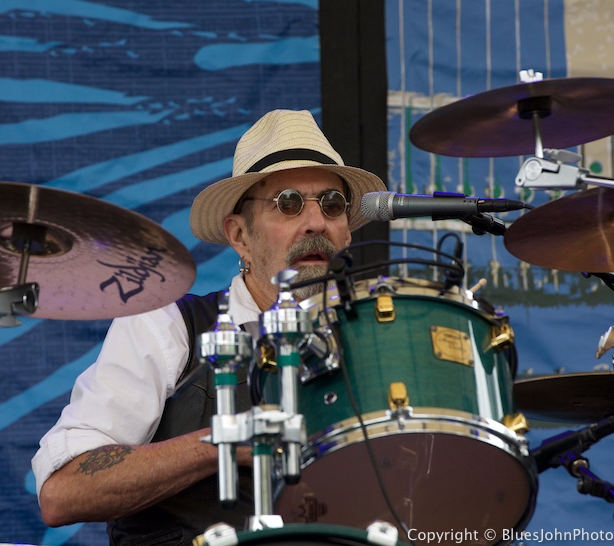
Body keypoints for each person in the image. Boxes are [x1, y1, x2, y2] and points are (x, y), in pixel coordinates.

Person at [31, 109, 387, 545]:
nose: (316, 223)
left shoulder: (378, 338)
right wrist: (221, 443)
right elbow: (63, 492)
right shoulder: (167, 323)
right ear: (239, 236)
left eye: (332, 205)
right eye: (288, 203)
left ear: (346, 232)